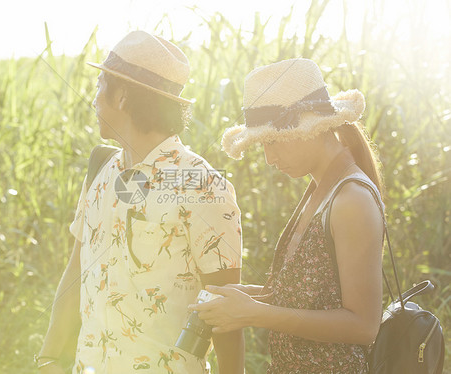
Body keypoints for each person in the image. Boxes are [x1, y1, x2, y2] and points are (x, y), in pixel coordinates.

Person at [36, 31, 244, 374]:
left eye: (100, 85)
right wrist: (48, 358)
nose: (93, 99)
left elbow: (225, 313)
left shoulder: (203, 185)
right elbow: (76, 270)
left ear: (121, 95)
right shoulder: (101, 171)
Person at [190, 58, 385, 373]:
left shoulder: (351, 200)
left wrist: (255, 314)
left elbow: (363, 325)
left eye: (272, 141)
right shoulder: (319, 188)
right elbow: (311, 299)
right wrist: (247, 296)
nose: (269, 158)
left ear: (309, 128)